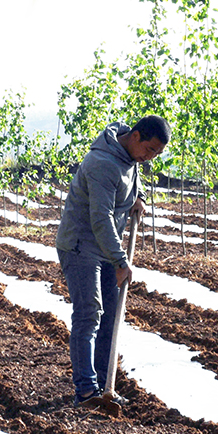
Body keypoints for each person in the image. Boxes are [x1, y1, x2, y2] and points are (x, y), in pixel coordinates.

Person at [56, 115, 171, 408]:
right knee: (89, 314)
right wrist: (120, 260)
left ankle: (104, 386)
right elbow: (100, 218)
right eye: (150, 150)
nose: (149, 158)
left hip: (105, 245)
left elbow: (133, 173)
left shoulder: (129, 154)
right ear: (135, 136)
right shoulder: (103, 163)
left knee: (109, 316)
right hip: (81, 245)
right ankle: (86, 391)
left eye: (156, 154)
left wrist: (139, 196)